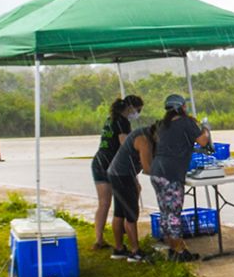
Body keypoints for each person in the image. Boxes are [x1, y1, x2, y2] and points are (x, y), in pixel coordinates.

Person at [150, 93, 212, 262]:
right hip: (171, 173)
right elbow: (203, 142)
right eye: (184, 106)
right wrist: (205, 128)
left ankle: (173, 248)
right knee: (174, 213)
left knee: (165, 212)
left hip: (157, 171)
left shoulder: (163, 124)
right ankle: (179, 252)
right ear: (181, 107)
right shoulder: (186, 122)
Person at [90, 95, 142, 249]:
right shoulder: (122, 121)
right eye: (138, 110)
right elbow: (125, 144)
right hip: (113, 165)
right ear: (131, 107)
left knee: (104, 203)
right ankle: (126, 227)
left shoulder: (111, 118)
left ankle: (99, 239)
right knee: (130, 194)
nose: (138, 113)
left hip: (99, 162)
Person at [106, 122, 154, 261]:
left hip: (117, 173)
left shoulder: (143, 133)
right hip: (123, 175)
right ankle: (135, 252)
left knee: (120, 212)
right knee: (131, 214)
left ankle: (119, 249)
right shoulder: (144, 140)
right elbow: (147, 168)